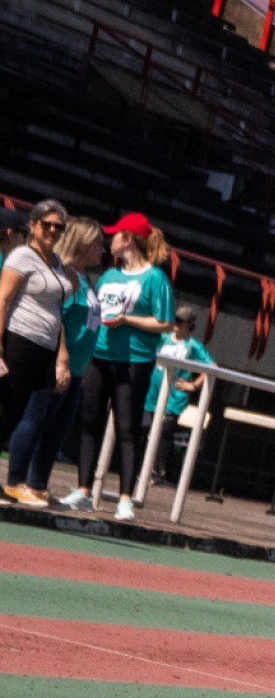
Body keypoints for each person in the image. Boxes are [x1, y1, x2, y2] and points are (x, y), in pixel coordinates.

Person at [59, 215, 174, 520]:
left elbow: (165, 323)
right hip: (100, 355)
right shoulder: (109, 275)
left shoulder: (155, 279)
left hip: (134, 360)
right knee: (89, 421)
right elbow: (96, 311)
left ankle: (125, 498)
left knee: (127, 426)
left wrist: (128, 321)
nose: (108, 241)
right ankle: (83, 490)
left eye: (114, 235)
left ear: (128, 238)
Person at [4, 208, 96, 507]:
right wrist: (62, 359)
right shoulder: (38, 266)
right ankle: (16, 482)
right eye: (99, 243)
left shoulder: (75, 276)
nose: (104, 249)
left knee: (50, 424)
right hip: (37, 351)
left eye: (60, 226)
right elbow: (56, 318)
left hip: (65, 361)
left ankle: (36, 485)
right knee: (26, 417)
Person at [0, 200, 76, 488]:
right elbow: (3, 300)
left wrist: (62, 355)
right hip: (20, 339)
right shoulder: (22, 256)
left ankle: (14, 483)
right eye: (47, 224)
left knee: (19, 414)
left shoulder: (56, 263)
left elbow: (57, 311)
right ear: (33, 225)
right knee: (6, 411)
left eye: (59, 226)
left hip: (44, 346)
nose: (53, 230)